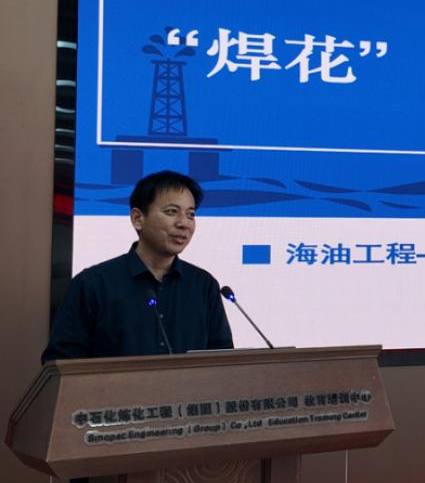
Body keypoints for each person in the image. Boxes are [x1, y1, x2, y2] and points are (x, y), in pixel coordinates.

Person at [42, 170, 233, 364]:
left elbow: (223, 362)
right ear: (137, 219)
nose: (184, 223)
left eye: (191, 214)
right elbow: (61, 364)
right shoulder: (93, 284)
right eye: (171, 211)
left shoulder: (204, 285)